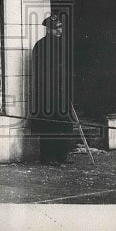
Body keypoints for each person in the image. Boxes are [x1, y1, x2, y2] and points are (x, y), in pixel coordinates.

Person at [28, 13, 76, 165]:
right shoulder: (40, 46)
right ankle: (48, 157)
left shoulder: (62, 45)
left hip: (62, 93)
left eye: (61, 28)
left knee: (64, 124)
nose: (60, 31)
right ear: (48, 30)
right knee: (49, 125)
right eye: (57, 29)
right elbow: (41, 73)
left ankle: (62, 155)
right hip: (47, 94)